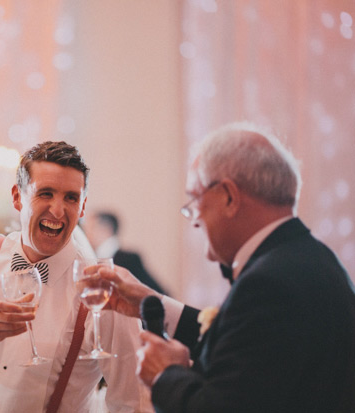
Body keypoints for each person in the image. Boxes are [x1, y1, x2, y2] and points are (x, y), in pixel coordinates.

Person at [101, 123, 355, 412]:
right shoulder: (310, 259)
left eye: (194, 201)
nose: (194, 220)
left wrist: (165, 376)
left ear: (229, 197)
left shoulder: (270, 283)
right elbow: (244, 347)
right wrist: (150, 301)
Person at [0, 141, 152, 412]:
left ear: (82, 208)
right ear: (17, 197)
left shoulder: (101, 286)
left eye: (71, 197)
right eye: (45, 193)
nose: (57, 211)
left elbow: (132, 400)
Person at [82, 210, 166, 294]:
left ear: (106, 229)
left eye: (91, 228)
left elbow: (157, 293)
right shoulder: (94, 256)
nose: (86, 234)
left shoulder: (129, 259)